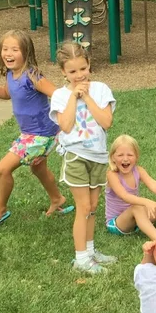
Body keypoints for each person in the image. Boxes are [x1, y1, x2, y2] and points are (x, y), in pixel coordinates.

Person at [0, 30, 71, 226]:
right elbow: (7, 93)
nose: (8, 53)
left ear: (26, 52)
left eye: (15, 49)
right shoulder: (11, 74)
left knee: (2, 169)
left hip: (42, 134)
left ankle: (0, 208)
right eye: (5, 49)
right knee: (38, 168)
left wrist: (67, 119)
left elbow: (58, 95)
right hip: (31, 133)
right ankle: (57, 198)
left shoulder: (32, 75)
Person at [49, 42, 117, 274]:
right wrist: (73, 98)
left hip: (98, 156)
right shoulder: (59, 96)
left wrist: (86, 97)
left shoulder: (101, 89)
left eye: (83, 69)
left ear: (89, 65)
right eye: (72, 71)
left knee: (93, 206)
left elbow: (106, 121)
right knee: (83, 206)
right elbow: (66, 126)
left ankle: (90, 251)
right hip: (76, 156)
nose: (79, 75)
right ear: (63, 72)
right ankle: (81, 259)